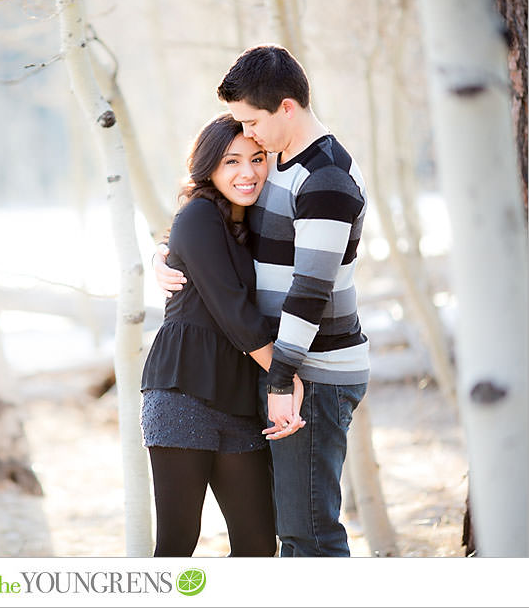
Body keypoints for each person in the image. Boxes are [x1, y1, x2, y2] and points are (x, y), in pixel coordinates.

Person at [154, 44, 370, 557]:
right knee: (286, 534)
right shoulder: (283, 166)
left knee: (308, 535)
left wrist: (281, 379)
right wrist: (167, 252)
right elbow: (222, 226)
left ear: (286, 109)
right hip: (281, 370)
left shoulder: (327, 180)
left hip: (308, 375)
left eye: (251, 122)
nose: (248, 134)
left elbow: (310, 291)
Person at [140, 112, 305, 557]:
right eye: (231, 161)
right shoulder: (197, 215)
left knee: (256, 544)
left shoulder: (253, 221)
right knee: (177, 544)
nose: (247, 172)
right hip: (182, 392)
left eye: (256, 158)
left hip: (236, 398)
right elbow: (231, 309)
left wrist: (161, 248)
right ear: (209, 166)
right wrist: (285, 375)